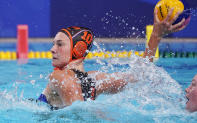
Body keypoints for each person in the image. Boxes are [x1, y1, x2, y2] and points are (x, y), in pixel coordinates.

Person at [38, 8, 187, 110]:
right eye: (53, 44)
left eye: (59, 44)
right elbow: (141, 74)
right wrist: (156, 35)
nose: (52, 49)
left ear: (79, 50)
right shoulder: (96, 81)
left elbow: (79, 112)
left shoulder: (59, 76)